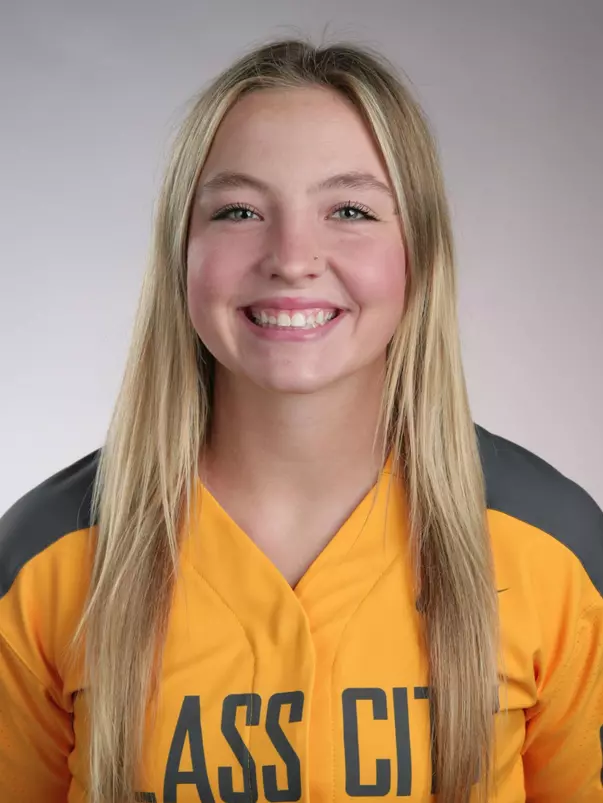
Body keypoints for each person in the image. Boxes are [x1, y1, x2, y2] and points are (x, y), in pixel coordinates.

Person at [0, 37, 601, 803]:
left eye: (349, 210)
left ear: (419, 251)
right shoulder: (47, 560)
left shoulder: (553, 549)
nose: (291, 257)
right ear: (180, 251)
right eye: (239, 211)